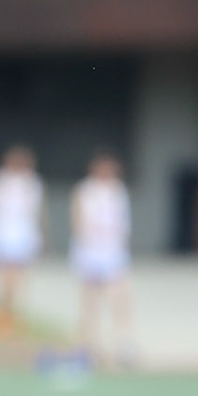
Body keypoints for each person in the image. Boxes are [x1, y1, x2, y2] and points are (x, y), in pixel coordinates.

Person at [70, 149, 134, 369]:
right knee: (90, 301)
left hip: (112, 251)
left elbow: (123, 223)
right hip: (91, 251)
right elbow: (77, 220)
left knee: (119, 298)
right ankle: (88, 345)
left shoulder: (118, 190)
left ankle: (123, 343)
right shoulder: (85, 190)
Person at [0, 145, 43, 341]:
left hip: (23, 237)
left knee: (18, 282)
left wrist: (41, 239)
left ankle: (13, 322)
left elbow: (37, 213)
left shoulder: (32, 183)